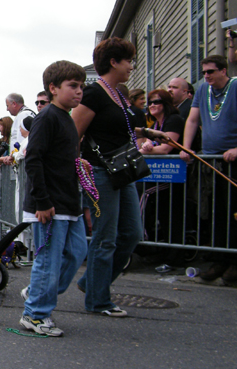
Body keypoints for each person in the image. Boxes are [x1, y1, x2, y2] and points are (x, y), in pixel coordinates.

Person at [72, 37, 170, 317]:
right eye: (128, 60)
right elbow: (74, 132)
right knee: (106, 237)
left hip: (121, 171)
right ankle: (98, 300)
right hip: (100, 172)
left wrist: (147, 132)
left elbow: (117, 126)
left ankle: (91, 282)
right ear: (113, 62)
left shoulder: (116, 94)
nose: (132, 66)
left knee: (132, 233)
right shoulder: (94, 93)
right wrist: (78, 167)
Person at [19, 61, 88, 337]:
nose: (79, 91)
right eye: (73, 86)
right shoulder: (46, 117)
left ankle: (36, 291)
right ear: (53, 88)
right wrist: (43, 201)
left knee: (77, 252)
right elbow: (33, 159)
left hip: (69, 202)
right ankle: (35, 314)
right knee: (48, 260)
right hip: (49, 204)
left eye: (82, 86)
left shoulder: (67, 119)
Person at [180, 54, 237, 283]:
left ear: (223, 70)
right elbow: (192, 120)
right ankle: (219, 260)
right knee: (216, 210)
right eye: (204, 72)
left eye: (211, 71)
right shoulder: (204, 90)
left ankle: (236, 261)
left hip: (236, 160)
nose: (206, 76)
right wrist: (186, 147)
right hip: (211, 159)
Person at [139, 88, 185, 244]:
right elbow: (148, 143)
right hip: (160, 174)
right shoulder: (156, 124)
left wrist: (142, 151)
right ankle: (156, 242)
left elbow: (165, 149)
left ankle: (141, 239)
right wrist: (146, 145)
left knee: (143, 193)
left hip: (175, 174)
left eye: (156, 102)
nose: (152, 105)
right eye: (149, 102)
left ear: (165, 103)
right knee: (164, 212)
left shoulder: (173, 120)